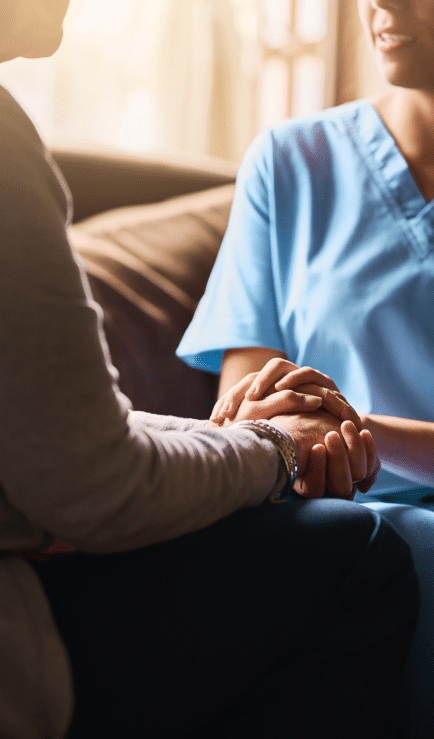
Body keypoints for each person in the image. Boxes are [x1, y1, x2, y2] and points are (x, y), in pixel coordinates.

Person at [0, 2, 419, 738]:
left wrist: (339, 432)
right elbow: (218, 424)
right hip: (320, 508)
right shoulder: (293, 161)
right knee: (361, 552)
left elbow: (91, 454)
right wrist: (288, 439)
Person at [177, 0, 434, 736]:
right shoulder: (289, 164)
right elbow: (242, 412)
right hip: (315, 527)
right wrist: (288, 432)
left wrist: (361, 435)